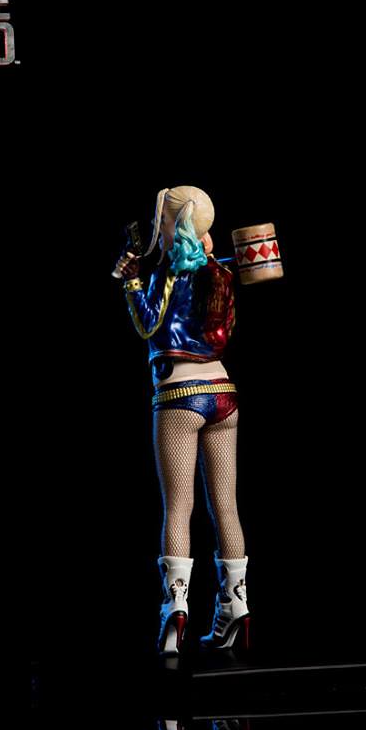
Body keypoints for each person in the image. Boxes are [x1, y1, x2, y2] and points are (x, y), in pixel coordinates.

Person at [113, 186, 250, 656]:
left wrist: (132, 283)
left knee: (179, 507)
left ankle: (175, 610)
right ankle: (238, 607)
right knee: (226, 506)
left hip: (179, 395)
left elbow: (148, 325)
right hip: (223, 393)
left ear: (174, 226)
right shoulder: (221, 274)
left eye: (162, 223)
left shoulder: (167, 274)